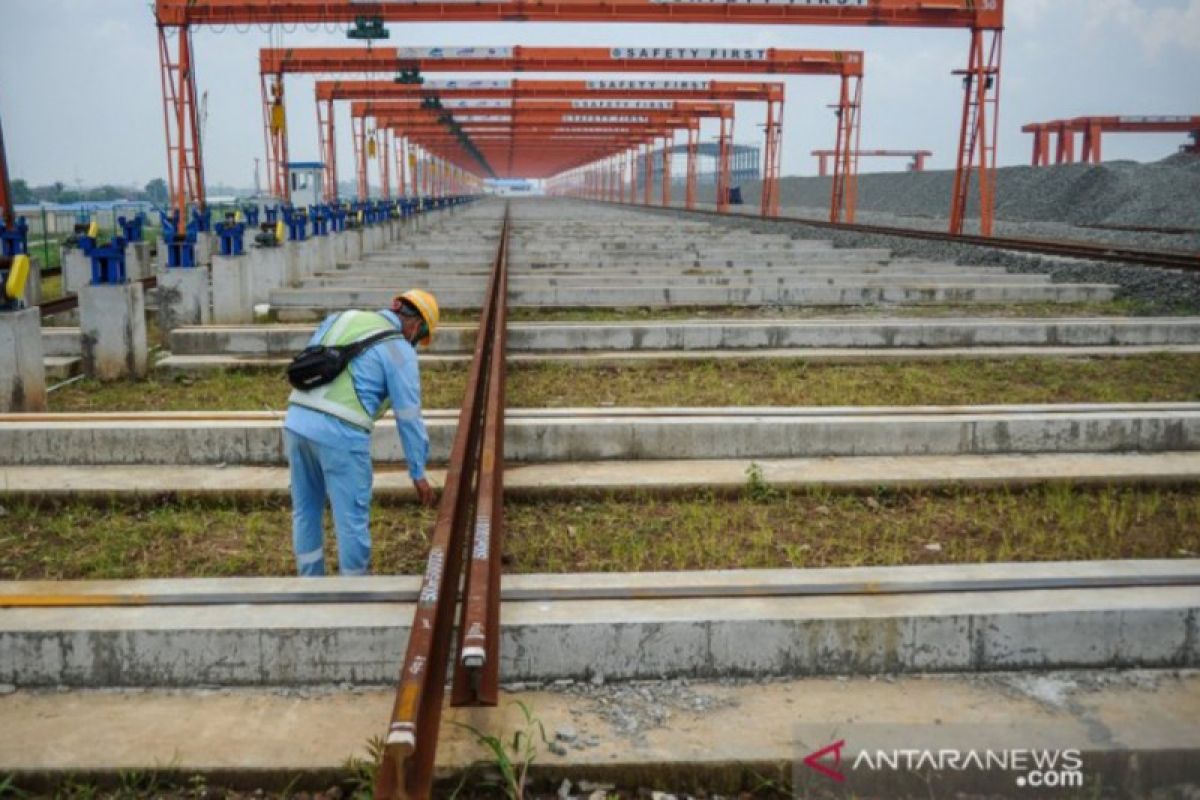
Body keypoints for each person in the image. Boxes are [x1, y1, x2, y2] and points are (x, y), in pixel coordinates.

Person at [283, 289, 440, 576]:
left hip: (296, 421)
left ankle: (310, 584)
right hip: (340, 434)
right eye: (419, 337)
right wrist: (418, 472)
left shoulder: (342, 318)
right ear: (416, 325)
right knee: (351, 520)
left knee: (306, 511)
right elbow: (409, 416)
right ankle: (354, 594)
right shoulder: (398, 348)